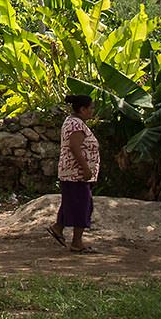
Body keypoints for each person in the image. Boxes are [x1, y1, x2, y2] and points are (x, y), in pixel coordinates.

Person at [49, 93, 100, 253]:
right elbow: (75, 147)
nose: (92, 111)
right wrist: (85, 168)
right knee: (83, 205)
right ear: (82, 109)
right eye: (90, 108)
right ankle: (77, 242)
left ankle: (58, 227)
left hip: (73, 173)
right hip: (75, 173)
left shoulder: (74, 122)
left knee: (73, 202)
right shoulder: (75, 125)